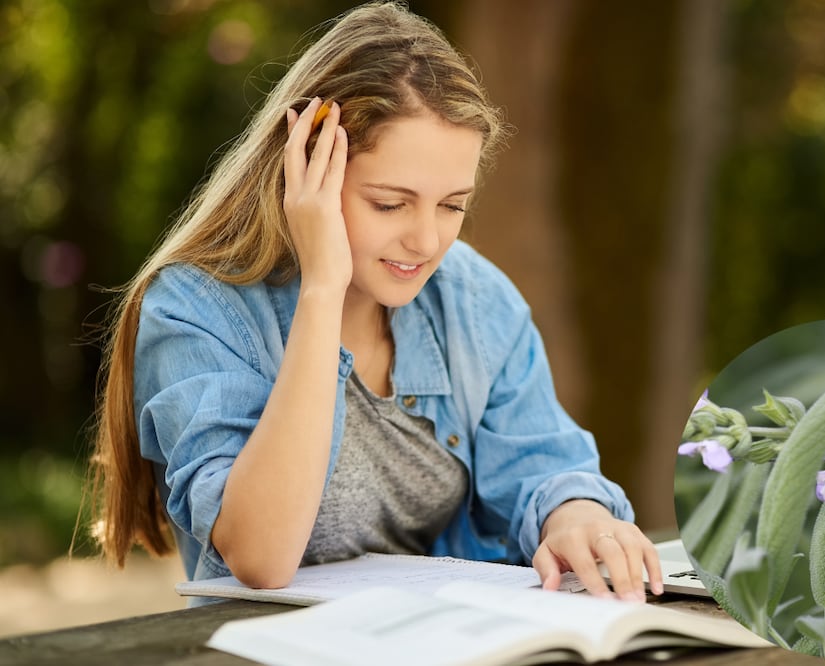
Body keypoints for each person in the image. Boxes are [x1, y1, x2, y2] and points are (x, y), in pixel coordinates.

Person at [88, 1, 662, 603]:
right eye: (390, 203)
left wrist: (578, 517)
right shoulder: (197, 309)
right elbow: (260, 555)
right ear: (306, 171)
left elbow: (544, 465)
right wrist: (322, 290)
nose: (427, 240)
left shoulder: (473, 301)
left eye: (452, 205)